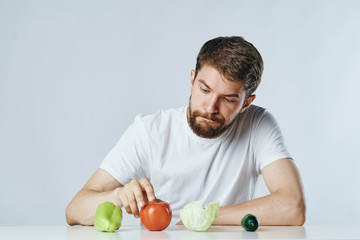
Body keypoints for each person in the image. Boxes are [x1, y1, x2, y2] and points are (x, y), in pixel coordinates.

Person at [65, 36, 306, 226]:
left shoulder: (258, 124)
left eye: (229, 99)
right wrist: (117, 196)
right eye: (204, 90)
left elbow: (293, 206)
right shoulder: (150, 131)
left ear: (246, 103)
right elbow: (74, 210)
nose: (210, 108)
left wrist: (200, 219)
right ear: (192, 80)